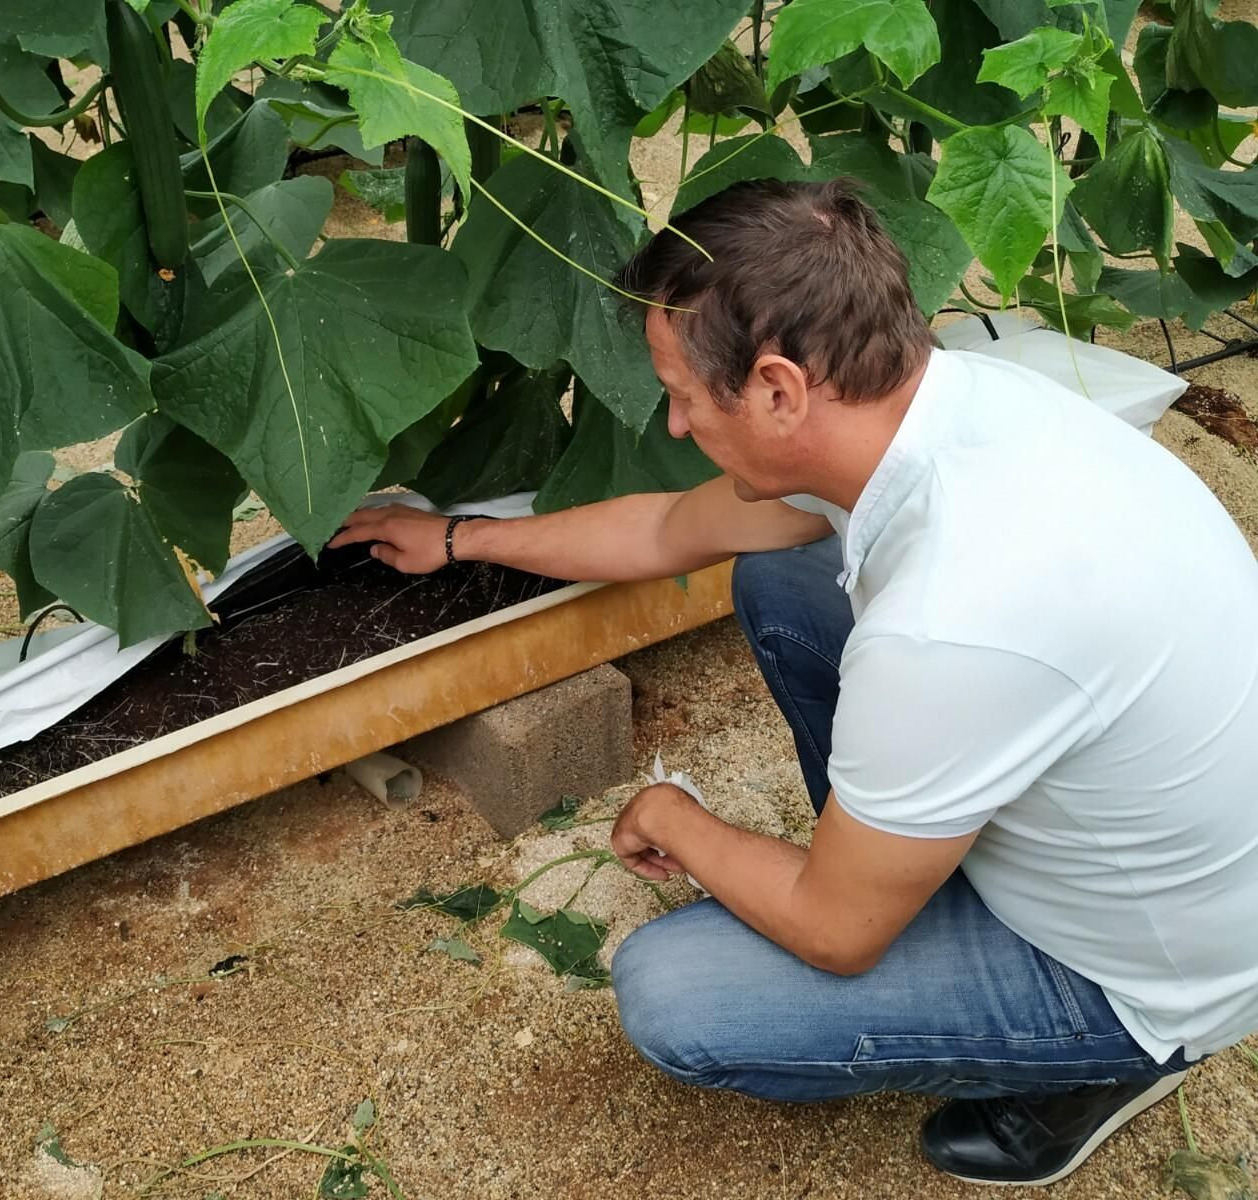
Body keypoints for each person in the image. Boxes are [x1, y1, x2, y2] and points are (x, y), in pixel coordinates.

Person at [327, 178, 1258, 1187]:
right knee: (781, 570)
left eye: (682, 394)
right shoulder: (962, 405)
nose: (676, 425)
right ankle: (900, 847)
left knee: (679, 995)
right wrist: (459, 538)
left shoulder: (953, 621)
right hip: (1150, 845)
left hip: (1143, 970)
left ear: (777, 388)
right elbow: (667, 529)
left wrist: (671, 818)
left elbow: (835, 933)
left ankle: (1118, 1062)